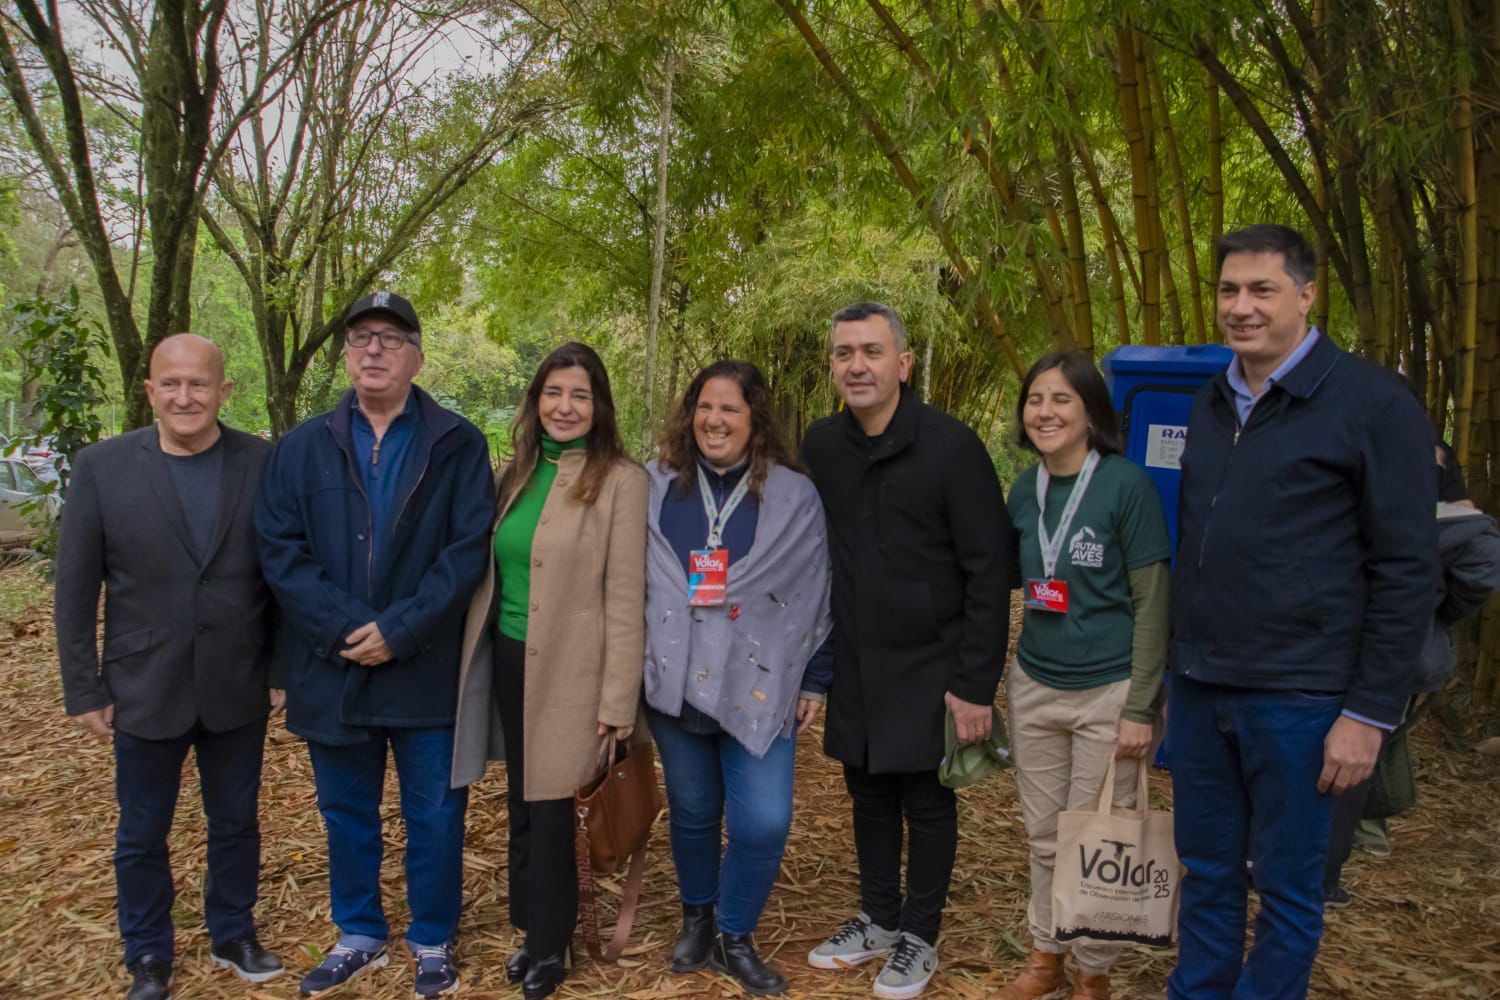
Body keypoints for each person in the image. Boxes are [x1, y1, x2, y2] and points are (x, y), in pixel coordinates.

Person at [1167, 225, 1437, 999]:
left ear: (1307, 294)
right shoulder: (1211, 399)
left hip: (1302, 696)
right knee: (1207, 871)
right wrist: (1174, 673)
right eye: (1229, 290)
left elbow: (1407, 570)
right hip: (1203, 686)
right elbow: (1199, 545)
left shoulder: (1372, 404)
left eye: (1263, 289)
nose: (1241, 307)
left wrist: (1369, 712)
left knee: (1288, 888)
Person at [255, 291, 494, 998]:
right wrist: (343, 629)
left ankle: (432, 938)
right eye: (361, 337)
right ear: (347, 355)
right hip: (334, 667)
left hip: (425, 666)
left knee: (436, 815)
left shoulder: (458, 443)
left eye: (391, 337)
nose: (374, 349)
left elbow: (466, 551)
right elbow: (280, 549)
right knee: (346, 813)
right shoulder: (301, 448)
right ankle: (358, 932)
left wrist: (401, 629)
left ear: (417, 355)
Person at [55, 334, 284, 1000]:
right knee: (141, 830)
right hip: (143, 683)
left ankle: (233, 931)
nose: (186, 397)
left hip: (237, 678)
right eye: (172, 384)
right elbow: (75, 586)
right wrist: (83, 687)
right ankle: (148, 952)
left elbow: (283, 574)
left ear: (224, 390)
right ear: (150, 390)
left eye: (199, 384)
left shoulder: (262, 462)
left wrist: (282, 669)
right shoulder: (102, 467)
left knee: (236, 821)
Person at [801, 301, 1011, 1000]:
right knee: (866, 790)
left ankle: (920, 934)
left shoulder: (952, 448)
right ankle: (879, 920)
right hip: (858, 656)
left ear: (904, 363)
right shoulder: (823, 447)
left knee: (926, 798)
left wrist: (975, 684)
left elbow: (989, 572)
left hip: (933, 660)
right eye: (844, 353)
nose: (857, 365)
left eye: (871, 351)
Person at [449, 341, 646, 1000]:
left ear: (599, 406)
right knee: (524, 802)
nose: (565, 406)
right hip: (510, 657)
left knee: (558, 809)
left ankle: (551, 945)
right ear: (535, 402)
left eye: (579, 395)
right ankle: (534, 926)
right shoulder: (518, 473)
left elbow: (626, 597)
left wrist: (618, 702)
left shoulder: (622, 481)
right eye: (553, 393)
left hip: (575, 671)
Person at [642, 360, 833, 996]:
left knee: (763, 821)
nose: (714, 420)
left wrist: (816, 679)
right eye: (704, 406)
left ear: (756, 420)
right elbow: (628, 582)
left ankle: (735, 934)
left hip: (760, 684)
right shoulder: (654, 484)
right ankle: (698, 920)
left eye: (730, 408)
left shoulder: (793, 495)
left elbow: (816, 590)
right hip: (672, 683)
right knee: (693, 811)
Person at [995, 352, 1170, 1000]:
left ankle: (1093, 969)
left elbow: (1153, 602)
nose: (1044, 412)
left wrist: (1141, 707)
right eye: (1035, 399)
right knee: (1045, 834)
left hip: (1110, 690)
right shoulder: (1024, 490)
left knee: (1100, 837)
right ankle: (1046, 956)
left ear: (1093, 412)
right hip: (1036, 684)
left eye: (1061, 399)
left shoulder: (1127, 486)